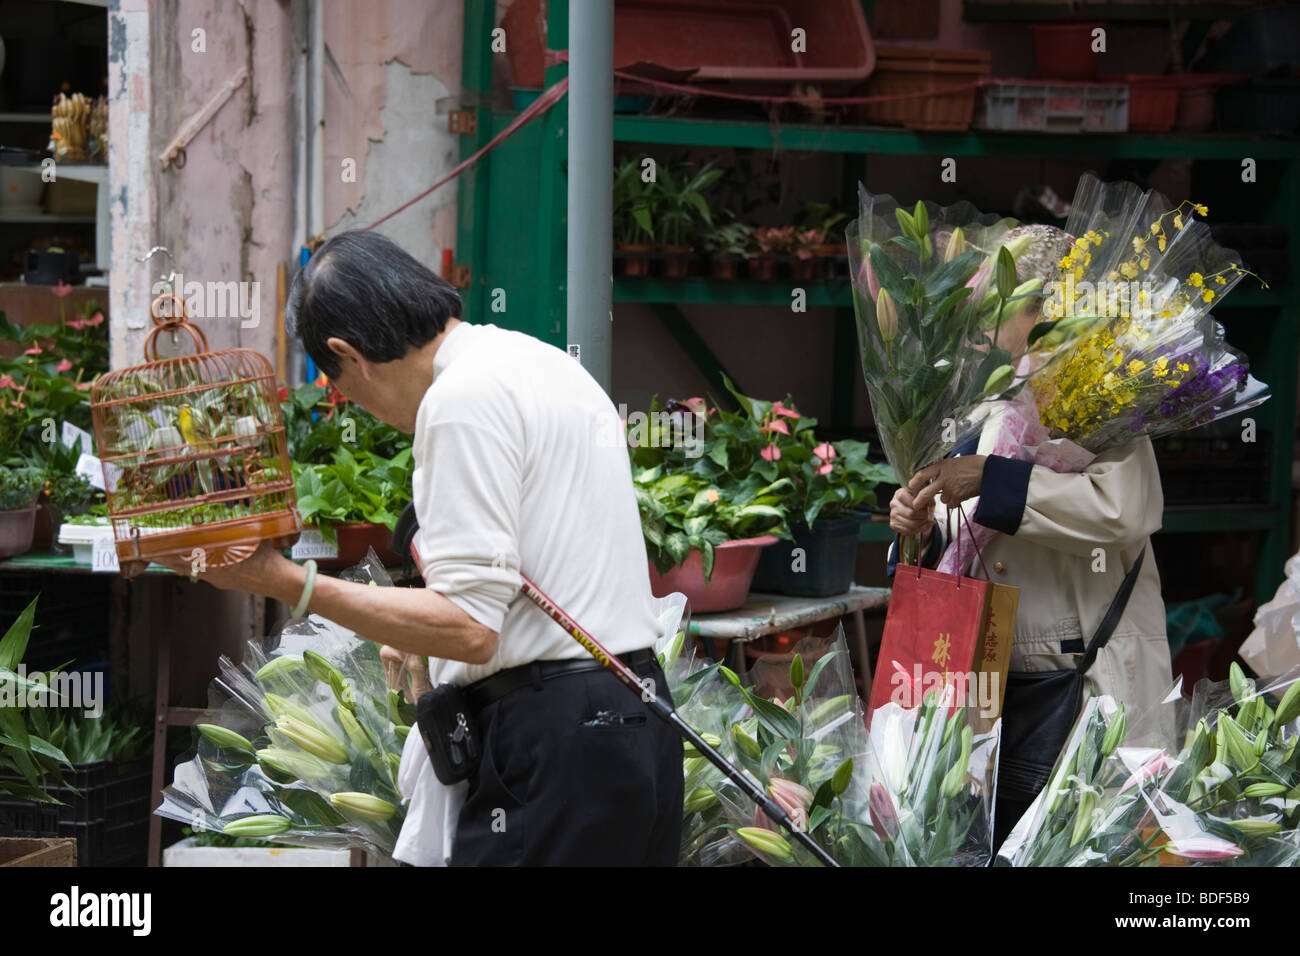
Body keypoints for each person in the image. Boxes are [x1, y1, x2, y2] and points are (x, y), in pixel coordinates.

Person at [165, 231, 682, 865]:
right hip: (635, 721)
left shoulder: (459, 402)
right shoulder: (540, 362)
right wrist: (416, 624)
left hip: (560, 740)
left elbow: (471, 631)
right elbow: (519, 574)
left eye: (344, 390)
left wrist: (284, 581)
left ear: (346, 354)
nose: (360, 407)